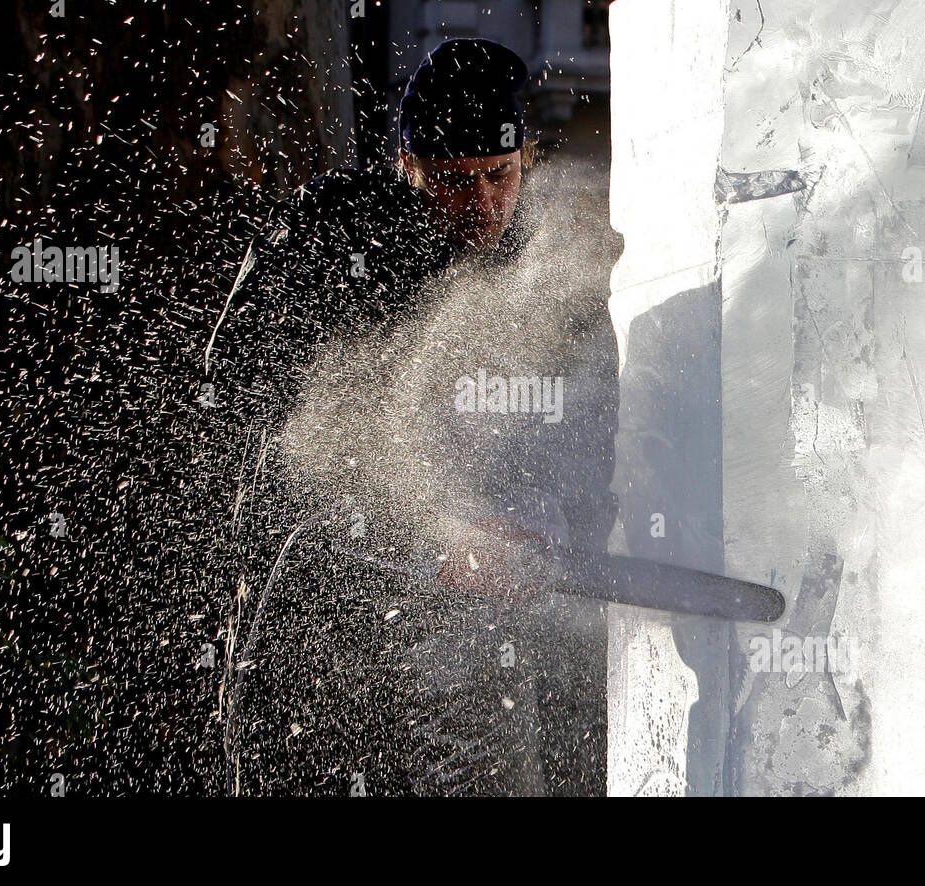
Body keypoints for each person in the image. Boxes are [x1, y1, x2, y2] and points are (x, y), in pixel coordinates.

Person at [217, 38, 618, 796]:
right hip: (327, 590)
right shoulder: (334, 236)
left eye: (497, 177)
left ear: (525, 158)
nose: (478, 204)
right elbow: (260, 414)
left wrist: (549, 519)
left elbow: (581, 421)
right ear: (407, 167)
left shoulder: (540, 256)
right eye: (451, 182)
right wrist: (428, 530)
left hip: (487, 608)